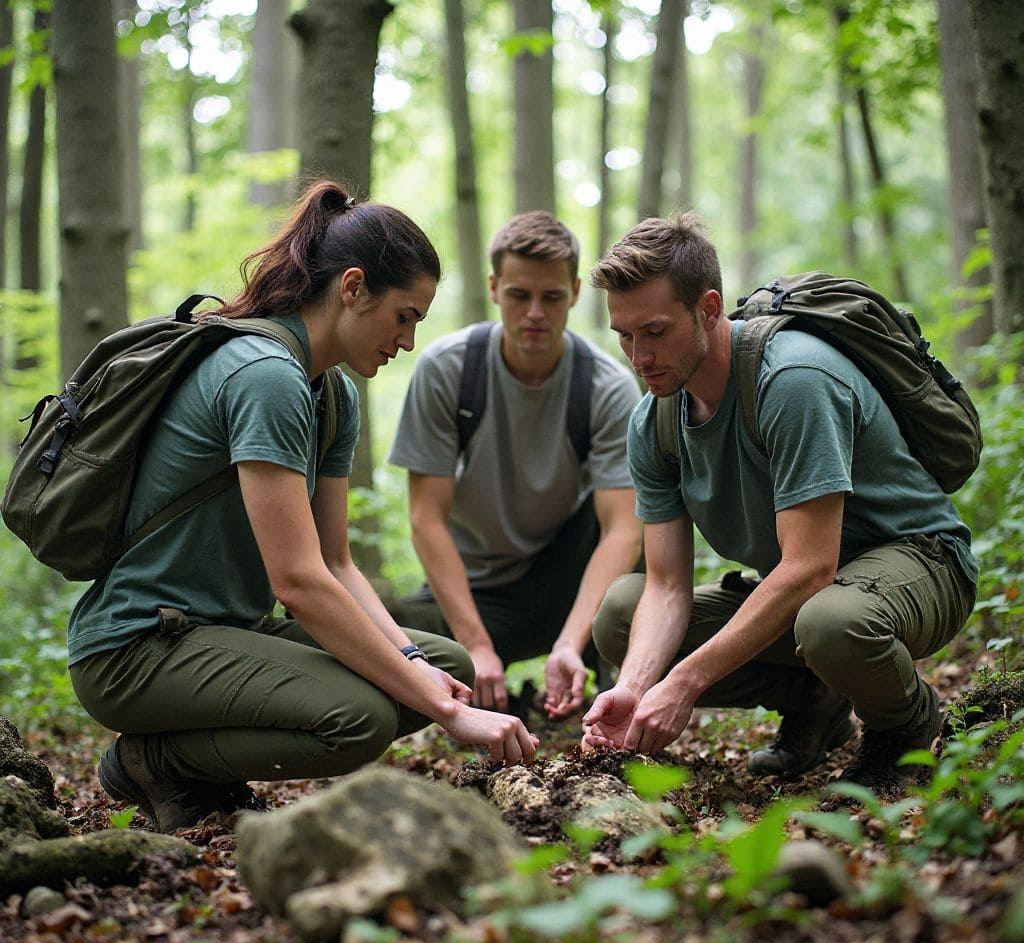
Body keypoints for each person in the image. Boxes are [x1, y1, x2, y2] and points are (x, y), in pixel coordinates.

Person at [68, 180, 538, 834]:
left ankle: (197, 760)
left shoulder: (330, 396)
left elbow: (338, 564)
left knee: (445, 668)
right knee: (360, 720)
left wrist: (419, 674)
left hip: (223, 634)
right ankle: (153, 761)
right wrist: (447, 711)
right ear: (352, 288)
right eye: (403, 315)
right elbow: (299, 582)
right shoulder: (265, 378)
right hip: (137, 647)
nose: (406, 340)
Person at [582, 213, 977, 792]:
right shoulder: (655, 421)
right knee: (621, 613)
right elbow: (666, 585)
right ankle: (813, 699)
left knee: (833, 622)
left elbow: (809, 566)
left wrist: (686, 683)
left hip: (920, 564)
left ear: (709, 308)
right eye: (625, 335)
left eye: (656, 331)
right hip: (810, 597)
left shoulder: (792, 379)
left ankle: (908, 725)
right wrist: (637, 689)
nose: (639, 356)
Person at [387, 211, 642, 720]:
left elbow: (622, 531)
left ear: (573, 292)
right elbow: (426, 519)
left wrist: (571, 642)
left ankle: (606, 686)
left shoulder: (608, 388)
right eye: (518, 295)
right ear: (493, 287)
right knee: (390, 634)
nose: (534, 314)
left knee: (632, 524)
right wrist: (476, 646)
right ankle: (482, 674)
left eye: (551, 297)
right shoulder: (448, 370)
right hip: (475, 594)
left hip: (562, 583)